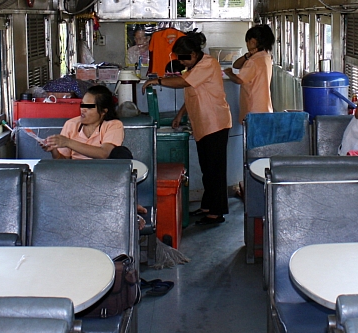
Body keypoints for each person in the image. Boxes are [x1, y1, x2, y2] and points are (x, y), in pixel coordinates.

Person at [141, 32, 232, 225]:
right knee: (207, 169)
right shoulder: (195, 67)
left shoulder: (207, 64)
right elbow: (193, 91)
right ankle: (207, 206)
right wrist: (181, 114)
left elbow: (183, 82)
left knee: (215, 170)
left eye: (183, 58)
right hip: (202, 123)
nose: (181, 63)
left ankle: (216, 213)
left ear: (193, 53)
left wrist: (157, 81)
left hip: (215, 122)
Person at [40, 85, 125, 159]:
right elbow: (63, 161)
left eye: (89, 107)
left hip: (102, 173)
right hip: (75, 172)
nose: (83, 109)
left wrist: (67, 142)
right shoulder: (71, 124)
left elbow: (104, 153)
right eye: (82, 104)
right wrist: (54, 150)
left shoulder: (114, 125)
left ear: (103, 112)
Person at [224, 24, 274, 120]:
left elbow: (239, 80)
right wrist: (247, 55)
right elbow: (236, 65)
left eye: (247, 41)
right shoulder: (265, 56)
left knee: (252, 134)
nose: (247, 44)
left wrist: (229, 73)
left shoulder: (254, 61)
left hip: (253, 108)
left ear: (253, 41)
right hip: (264, 107)